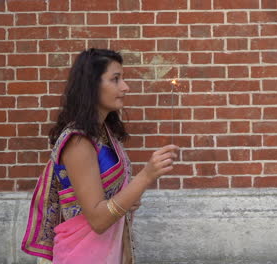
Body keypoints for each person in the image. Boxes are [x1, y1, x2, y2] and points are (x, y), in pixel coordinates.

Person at [21, 48, 179, 264]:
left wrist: (129, 197)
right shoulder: (78, 142)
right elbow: (98, 219)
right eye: (115, 79)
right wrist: (146, 176)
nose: (125, 87)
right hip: (82, 254)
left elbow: (108, 198)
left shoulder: (104, 133)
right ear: (92, 86)